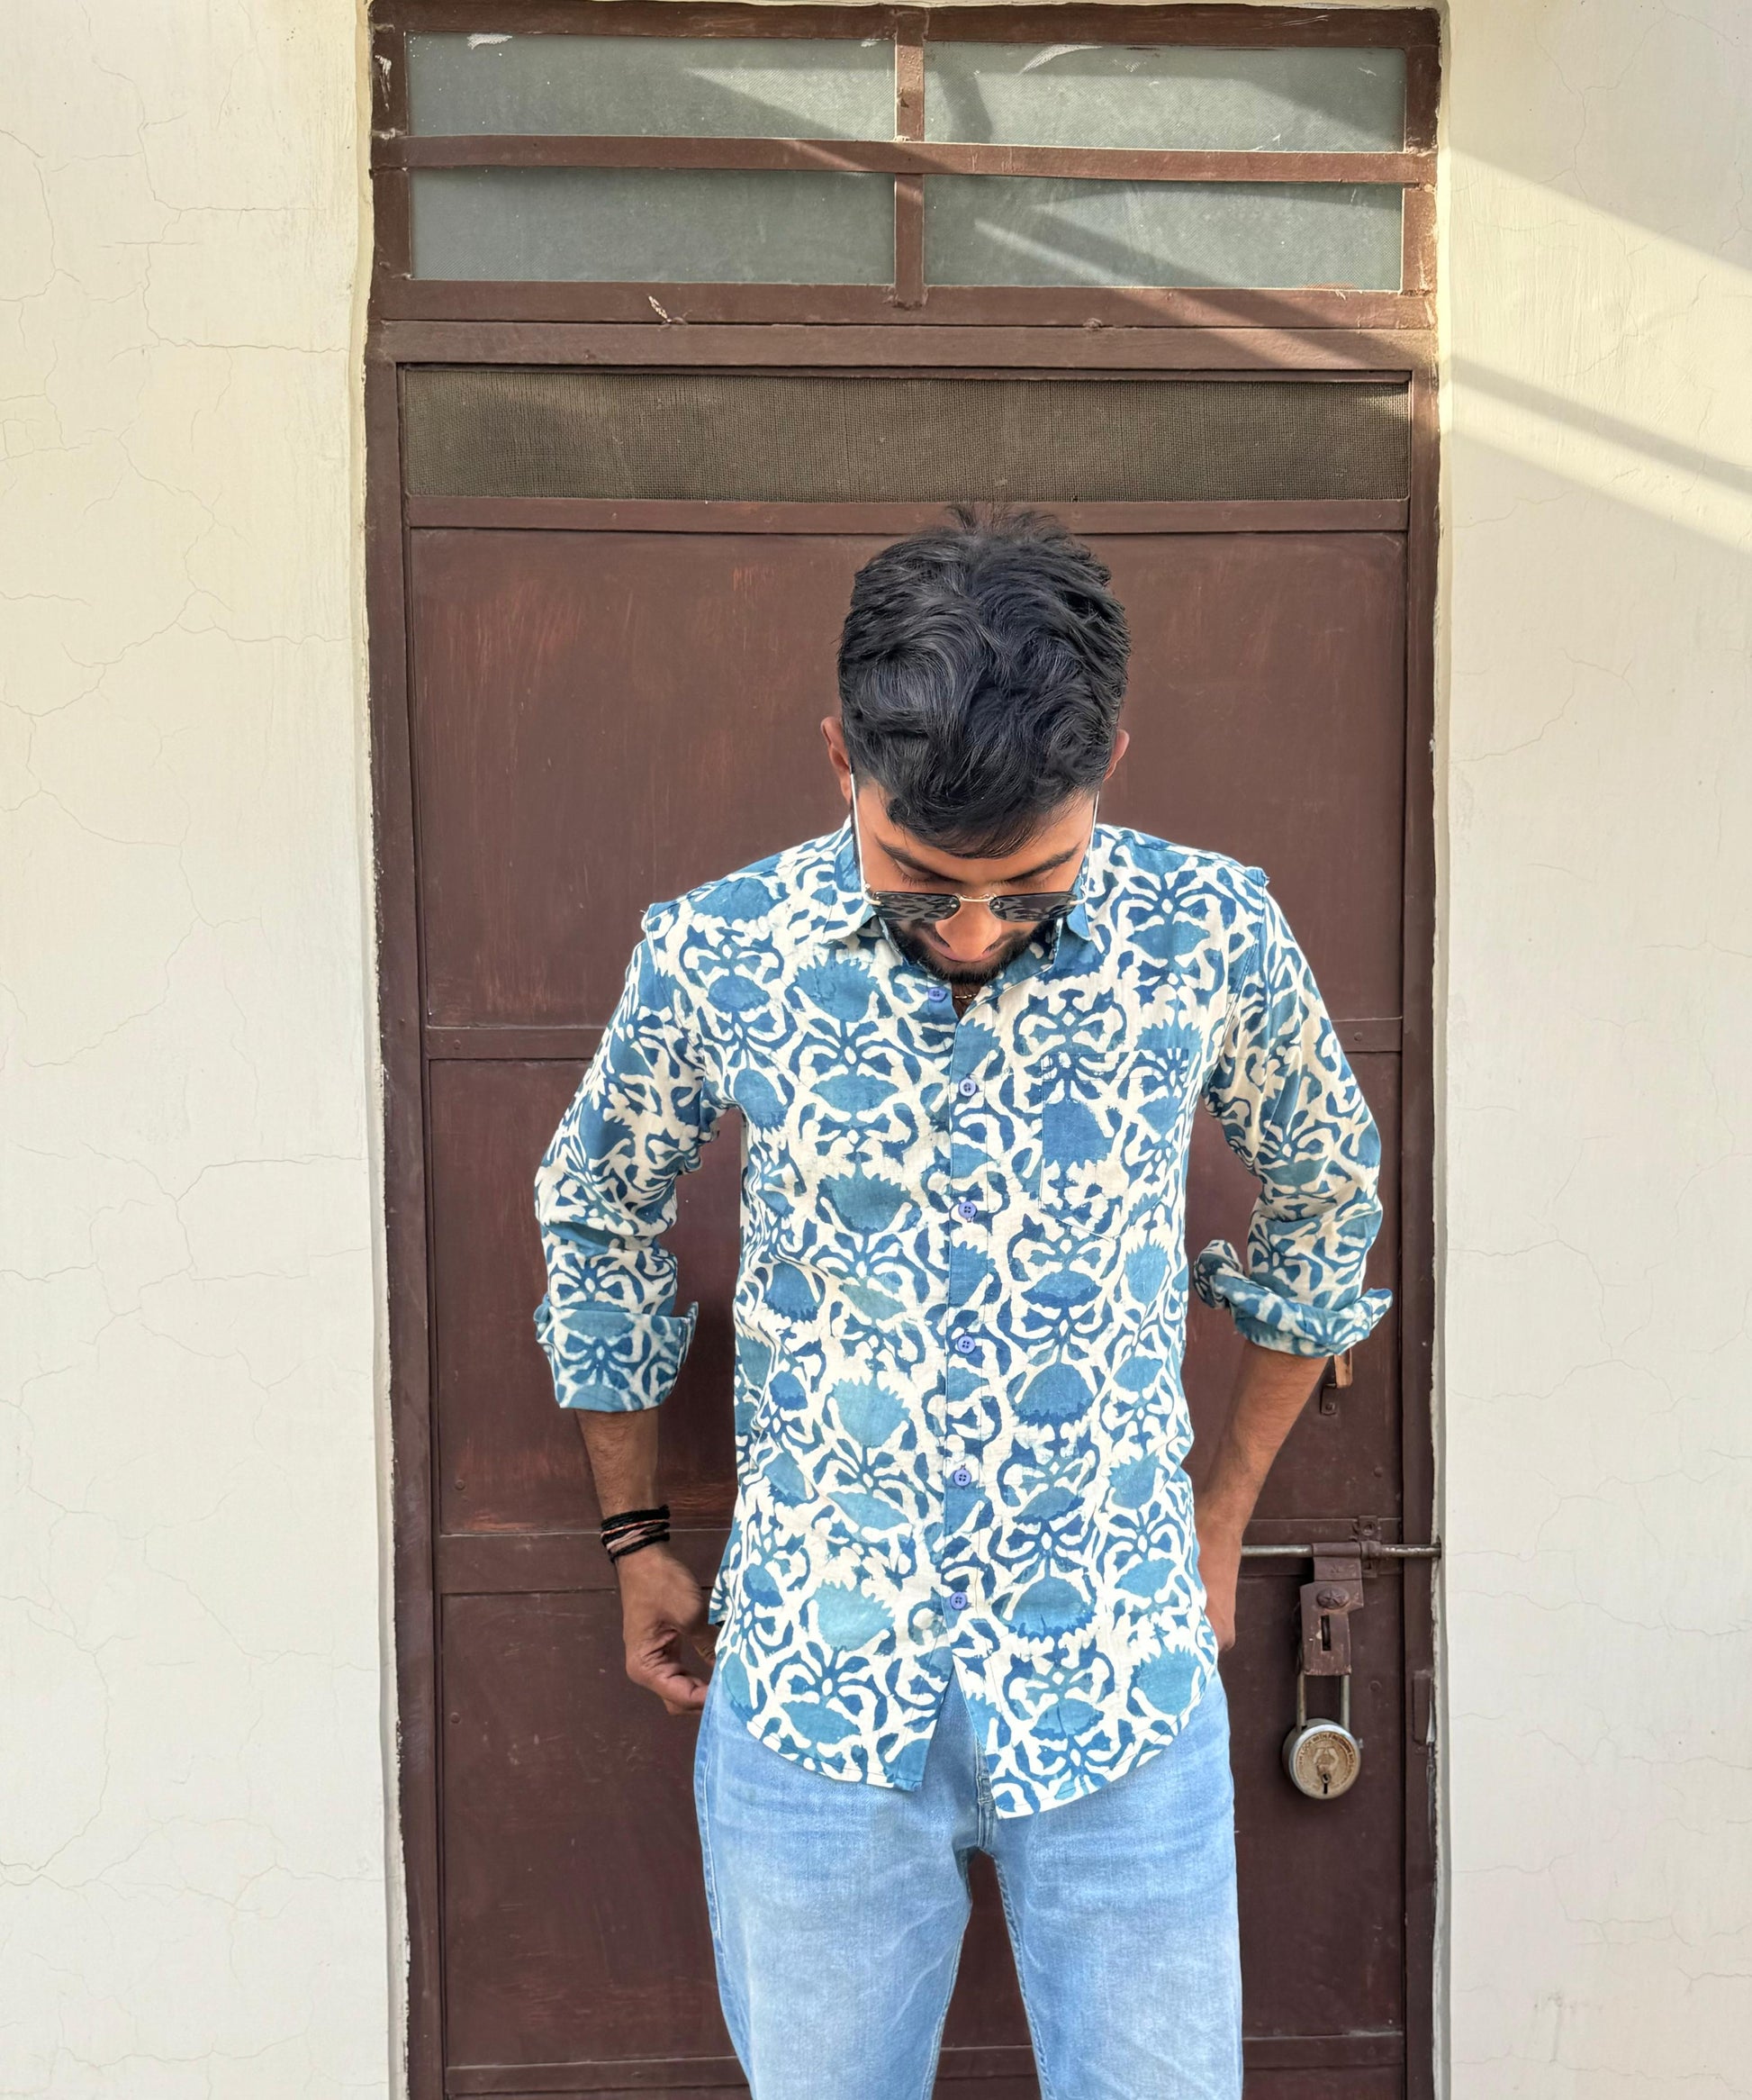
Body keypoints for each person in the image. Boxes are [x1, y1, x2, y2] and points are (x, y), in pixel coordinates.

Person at [534, 509, 1389, 2100]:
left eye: (1032, 889)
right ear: (836, 756)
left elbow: (1326, 1194)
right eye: (920, 887)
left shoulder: (1208, 929)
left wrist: (1218, 1521)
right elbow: (597, 1212)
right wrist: (633, 1534)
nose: (977, 935)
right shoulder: (722, 948)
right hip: (812, 1691)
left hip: (1122, 1682)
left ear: (1109, 760)